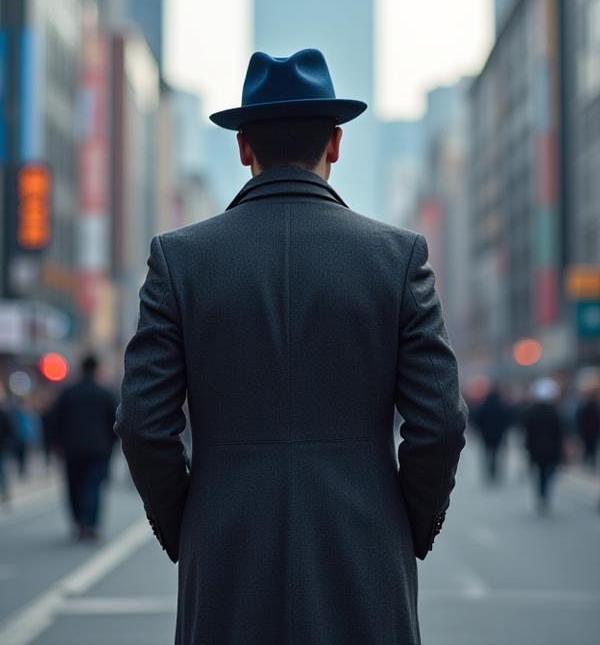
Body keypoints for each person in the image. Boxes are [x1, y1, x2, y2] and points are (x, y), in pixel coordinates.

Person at [115, 49, 468, 645]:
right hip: (366, 551)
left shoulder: (180, 260)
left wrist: (192, 524)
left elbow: (144, 423)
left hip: (225, 552)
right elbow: (438, 422)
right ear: (335, 143)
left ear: (243, 147)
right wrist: (403, 523)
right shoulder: (398, 258)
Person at [51, 354, 117, 540]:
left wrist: (56, 443)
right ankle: (91, 523)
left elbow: (55, 420)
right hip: (99, 449)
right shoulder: (105, 393)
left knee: (74, 485)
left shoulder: (68, 393)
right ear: (96, 370)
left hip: (72, 448)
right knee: (93, 486)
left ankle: (79, 521)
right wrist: (111, 444)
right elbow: (116, 422)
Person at [523, 377, 565, 515]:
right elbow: (560, 432)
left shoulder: (532, 412)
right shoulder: (555, 412)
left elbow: (527, 431)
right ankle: (544, 494)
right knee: (548, 472)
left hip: (536, 449)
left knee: (541, 473)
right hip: (552, 449)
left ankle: (542, 494)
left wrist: (527, 447)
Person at [472, 382, 513, 483]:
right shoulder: (502, 405)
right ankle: (494, 469)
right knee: (496, 452)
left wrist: (479, 430)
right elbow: (507, 419)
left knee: (487, 451)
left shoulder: (484, 405)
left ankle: (489, 469)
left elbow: (478, 418)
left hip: (486, 434)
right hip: (498, 434)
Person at [574, 381, 600, 469]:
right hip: (589, 431)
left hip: (592, 431)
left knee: (591, 448)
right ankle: (587, 463)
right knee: (589, 448)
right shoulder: (586, 405)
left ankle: (589, 463)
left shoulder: (591, 405)